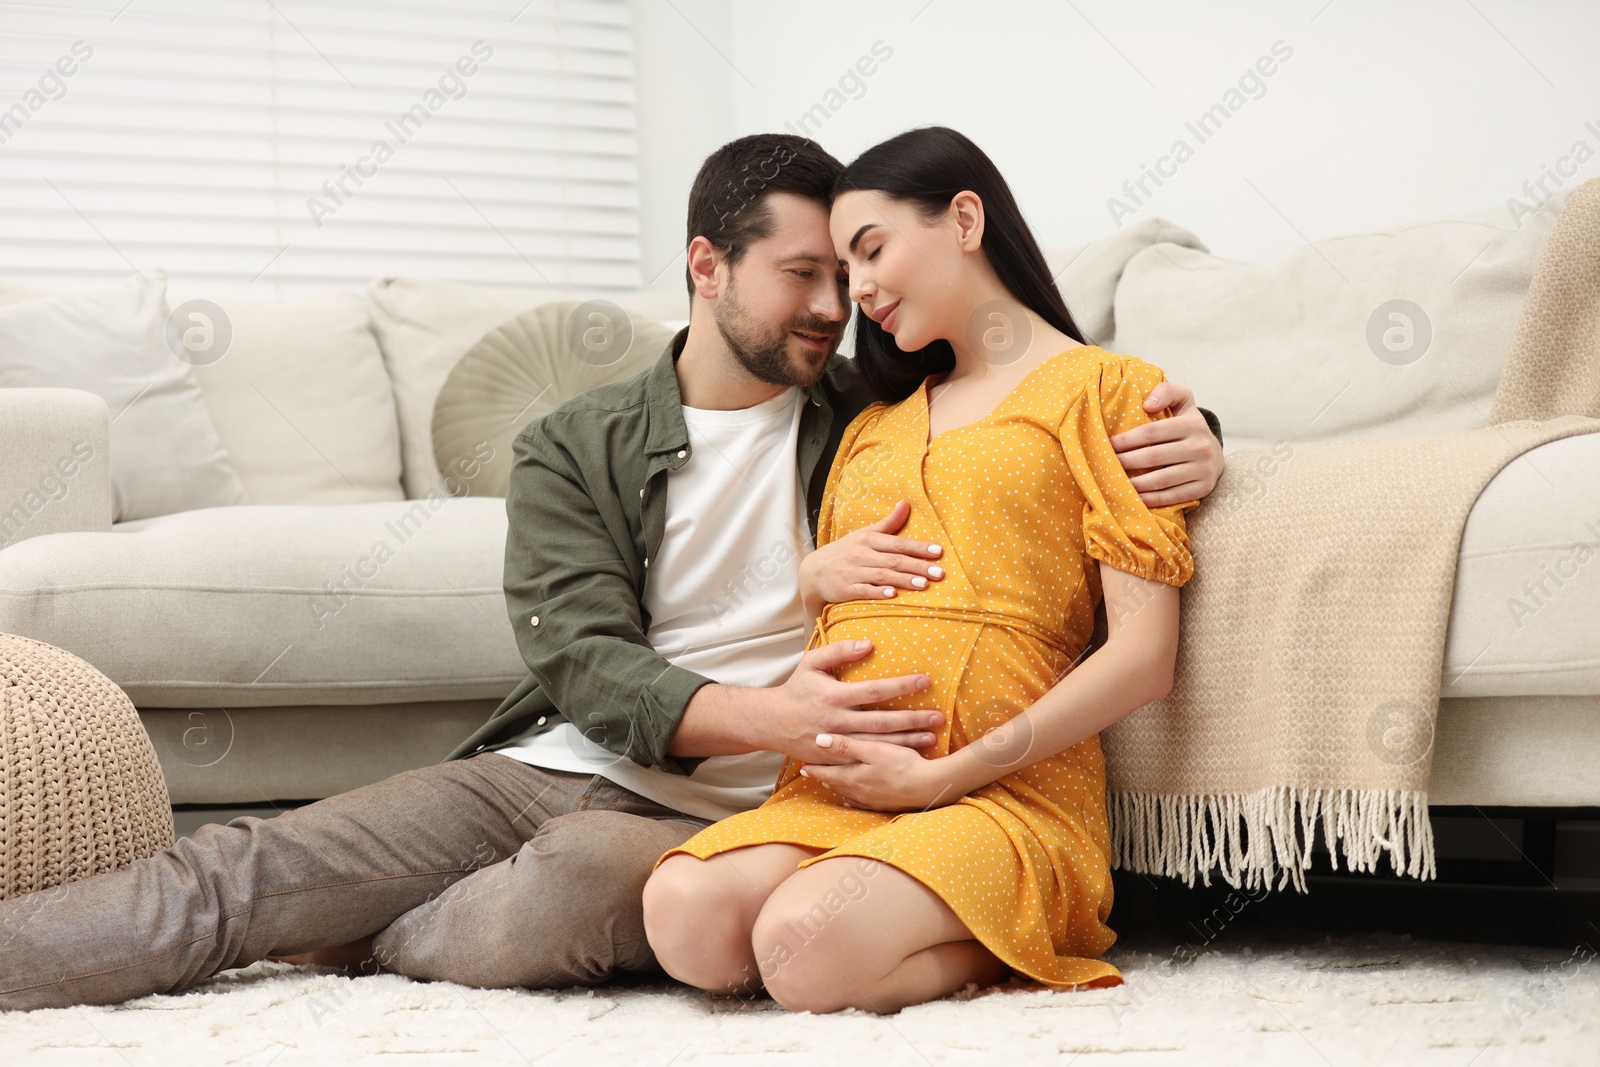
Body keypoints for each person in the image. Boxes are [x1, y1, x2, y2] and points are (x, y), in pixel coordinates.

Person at [0, 133, 1223, 1012]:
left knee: (585, 890)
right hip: (566, 764)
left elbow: (1044, 414)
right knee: (247, 871)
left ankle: (361, 931)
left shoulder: (868, 403)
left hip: (747, 816)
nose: (836, 308)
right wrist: (772, 704)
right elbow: (581, 662)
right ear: (707, 265)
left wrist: (1199, 426)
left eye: (847, 278)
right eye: (803, 275)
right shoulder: (576, 441)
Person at [643, 126, 1196, 1015]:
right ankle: (868, 911)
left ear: (965, 219)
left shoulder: (1108, 390)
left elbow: (1145, 655)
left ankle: (1013, 942)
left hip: (1001, 793)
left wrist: (943, 776)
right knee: (683, 915)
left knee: (802, 944)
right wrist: (811, 579)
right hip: (836, 789)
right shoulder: (872, 421)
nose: (853, 290)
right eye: (836, 267)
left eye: (870, 251)